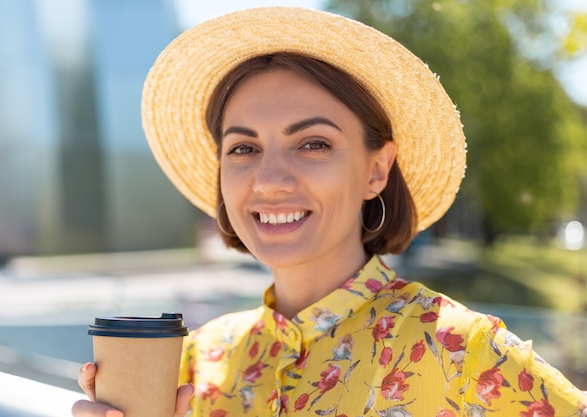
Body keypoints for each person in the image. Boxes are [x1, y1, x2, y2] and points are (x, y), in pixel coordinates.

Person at [72, 6, 587, 417]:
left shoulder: (467, 353)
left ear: (376, 171)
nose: (270, 180)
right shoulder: (195, 363)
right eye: (243, 149)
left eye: (313, 144)